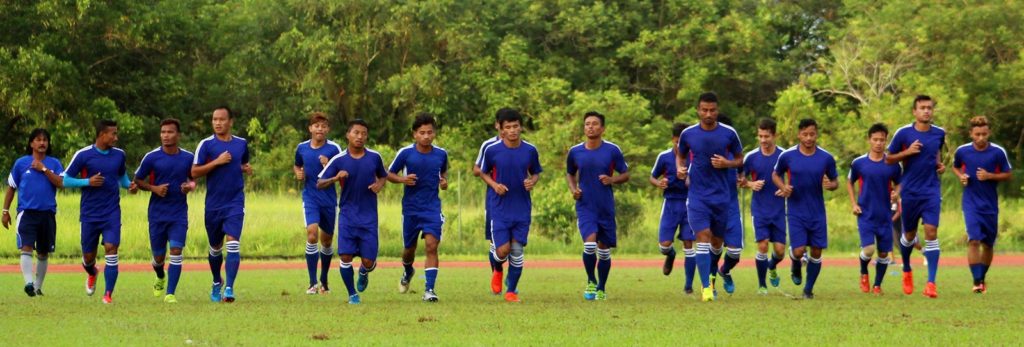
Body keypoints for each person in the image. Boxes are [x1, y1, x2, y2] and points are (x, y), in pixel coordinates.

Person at [676, 92, 744, 302]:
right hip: (697, 196)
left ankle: (713, 276)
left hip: (722, 197)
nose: (708, 114)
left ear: (717, 110)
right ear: (698, 110)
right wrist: (680, 168)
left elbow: (740, 159)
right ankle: (706, 288)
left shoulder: (729, 134)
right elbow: (680, 155)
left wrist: (727, 163)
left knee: (717, 242)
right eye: (704, 110)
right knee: (703, 236)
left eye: (712, 110)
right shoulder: (688, 134)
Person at [63, 120, 138, 304]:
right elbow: (65, 180)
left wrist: (130, 186)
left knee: (111, 248)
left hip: (111, 211)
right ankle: (92, 271)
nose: (116, 137)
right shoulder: (83, 155)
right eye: (113, 134)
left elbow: (121, 177)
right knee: (89, 257)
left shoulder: (119, 155)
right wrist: (87, 182)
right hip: (89, 214)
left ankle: (108, 294)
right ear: (101, 135)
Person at [317, 119, 388, 304]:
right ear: (348, 135)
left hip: (369, 217)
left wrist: (379, 185)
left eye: (363, 133)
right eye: (356, 133)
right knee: (345, 256)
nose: (360, 136)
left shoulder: (374, 157)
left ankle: (364, 271)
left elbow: (383, 176)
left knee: (368, 261)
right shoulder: (339, 160)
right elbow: (319, 183)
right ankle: (352, 294)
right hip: (347, 216)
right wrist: (335, 177)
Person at [886, 95, 946, 298]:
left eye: (929, 108)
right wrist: (908, 152)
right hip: (910, 192)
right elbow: (888, 158)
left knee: (931, 231)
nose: (926, 111)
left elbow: (937, 154)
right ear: (915, 111)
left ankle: (931, 283)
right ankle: (906, 269)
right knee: (909, 236)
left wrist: (939, 165)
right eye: (922, 108)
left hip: (931, 190)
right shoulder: (903, 133)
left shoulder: (939, 133)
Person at [480, 109, 542, 303]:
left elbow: (536, 172)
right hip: (499, 208)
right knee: (502, 251)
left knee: (516, 250)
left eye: (516, 126)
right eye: (508, 127)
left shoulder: (530, 150)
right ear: (501, 129)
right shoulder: (492, 150)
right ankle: (497, 269)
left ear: (521, 127)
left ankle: (511, 291)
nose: (513, 130)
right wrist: (494, 185)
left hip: (522, 207)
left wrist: (532, 181)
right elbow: (483, 172)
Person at [192, 106, 254, 303]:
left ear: (230, 122)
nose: (217, 123)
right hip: (213, 204)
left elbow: (242, 162)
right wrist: (216, 162)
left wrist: (244, 168)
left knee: (233, 243)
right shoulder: (206, 145)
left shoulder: (242, 144)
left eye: (221, 119)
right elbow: (194, 172)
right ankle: (216, 281)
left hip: (235, 201)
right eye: (214, 119)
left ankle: (229, 288)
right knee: (215, 247)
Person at [772, 118, 839, 299]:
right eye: (805, 134)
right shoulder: (787, 156)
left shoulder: (826, 158)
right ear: (799, 135)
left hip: (817, 212)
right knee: (799, 250)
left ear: (817, 134)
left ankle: (808, 290)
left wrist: (830, 185)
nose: (809, 138)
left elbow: (835, 182)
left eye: (812, 134)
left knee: (816, 251)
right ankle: (795, 263)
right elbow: (775, 174)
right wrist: (783, 187)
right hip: (796, 210)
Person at [567, 111, 630, 301]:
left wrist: (612, 179)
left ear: (602, 128)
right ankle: (591, 281)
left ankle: (602, 287)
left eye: (595, 124)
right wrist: (573, 189)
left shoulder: (612, 150)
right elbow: (570, 173)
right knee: (589, 243)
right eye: (587, 124)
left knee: (603, 250)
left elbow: (626, 174)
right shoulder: (575, 151)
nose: (590, 127)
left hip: (605, 206)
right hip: (585, 206)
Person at [388, 113, 449, 302]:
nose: (426, 136)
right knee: (409, 249)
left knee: (432, 246)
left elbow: (444, 173)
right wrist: (402, 179)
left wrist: (444, 182)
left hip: (432, 208)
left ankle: (429, 290)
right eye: (422, 132)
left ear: (434, 134)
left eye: (430, 132)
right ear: (415, 134)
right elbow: (388, 174)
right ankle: (408, 270)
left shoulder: (441, 154)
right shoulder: (406, 153)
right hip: (411, 209)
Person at [134, 119, 196, 303]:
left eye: (170, 132)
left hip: (178, 213)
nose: (166, 136)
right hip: (157, 214)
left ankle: (170, 293)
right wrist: (154, 189)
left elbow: (194, 180)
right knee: (159, 256)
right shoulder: (152, 157)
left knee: (176, 250)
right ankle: (160, 275)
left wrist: (189, 186)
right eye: (163, 132)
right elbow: (137, 180)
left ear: (178, 135)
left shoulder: (188, 157)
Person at [952, 116, 1013, 293]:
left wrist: (990, 176)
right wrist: (961, 176)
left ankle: (982, 278)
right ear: (971, 133)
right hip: (970, 203)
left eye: (984, 134)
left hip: (990, 205)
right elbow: (956, 167)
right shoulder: (962, 151)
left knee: (987, 244)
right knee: (973, 240)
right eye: (977, 134)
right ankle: (976, 281)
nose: (981, 138)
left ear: (989, 133)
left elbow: (1007, 174)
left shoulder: (997, 152)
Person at [3, 128, 64, 297]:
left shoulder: (54, 163)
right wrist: (5, 211)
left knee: (43, 252)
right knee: (26, 247)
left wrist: (44, 169)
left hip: (47, 213)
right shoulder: (21, 163)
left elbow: (61, 183)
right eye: (38, 139)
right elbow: (11, 187)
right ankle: (29, 283)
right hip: (27, 212)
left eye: (45, 140)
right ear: (31, 143)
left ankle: (37, 286)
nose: (42, 143)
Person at [846, 123, 902, 295]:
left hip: (884, 215)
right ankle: (864, 272)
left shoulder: (892, 163)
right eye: (875, 139)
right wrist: (854, 204)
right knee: (869, 249)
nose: (878, 143)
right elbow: (849, 182)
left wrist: (896, 194)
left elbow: (899, 183)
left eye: (882, 140)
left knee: (884, 253)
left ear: (886, 141)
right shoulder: (859, 163)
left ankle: (877, 285)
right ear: (869, 140)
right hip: (865, 214)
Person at [293, 112, 343, 294]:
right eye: (316, 126)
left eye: (323, 126)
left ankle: (324, 280)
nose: (320, 129)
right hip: (310, 198)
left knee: (327, 241)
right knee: (312, 234)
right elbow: (297, 165)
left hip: (329, 200)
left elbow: (342, 173)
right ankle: (312, 282)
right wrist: (298, 172)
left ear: (328, 129)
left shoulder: (334, 149)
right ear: (310, 128)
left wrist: (328, 164)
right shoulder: (302, 148)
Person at [741, 118, 786, 295]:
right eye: (760, 136)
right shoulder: (751, 157)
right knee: (762, 245)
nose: (763, 140)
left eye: (766, 136)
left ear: (774, 135)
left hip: (779, 210)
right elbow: (739, 180)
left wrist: (786, 190)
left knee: (780, 251)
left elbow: (795, 177)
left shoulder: (784, 155)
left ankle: (772, 266)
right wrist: (751, 184)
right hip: (759, 209)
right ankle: (762, 285)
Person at [650, 123, 695, 293]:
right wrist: (659, 183)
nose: (679, 146)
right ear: (673, 140)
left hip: (690, 203)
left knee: (689, 243)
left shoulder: (694, 157)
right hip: (670, 203)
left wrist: (689, 180)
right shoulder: (664, 157)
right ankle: (670, 255)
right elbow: (652, 177)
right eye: (676, 142)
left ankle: (688, 286)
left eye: (682, 143)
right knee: (664, 245)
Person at [474, 110, 504, 295]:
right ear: (497, 125)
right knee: (495, 241)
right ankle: (497, 272)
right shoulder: (489, 145)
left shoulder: (524, 147)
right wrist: (489, 173)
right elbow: (476, 169)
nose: (508, 130)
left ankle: (512, 279)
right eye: (504, 125)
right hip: (494, 200)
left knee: (513, 243)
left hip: (517, 200)